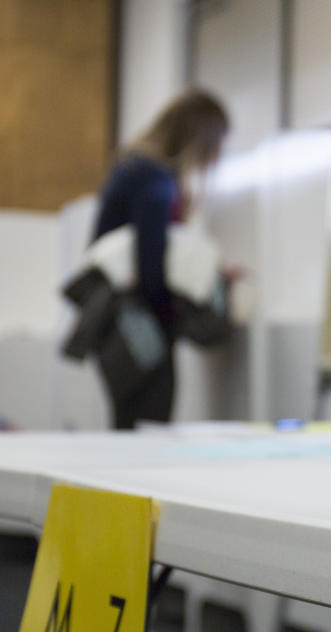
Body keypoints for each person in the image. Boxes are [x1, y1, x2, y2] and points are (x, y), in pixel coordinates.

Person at [92, 90, 229, 429]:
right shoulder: (155, 179)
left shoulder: (136, 168)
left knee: (128, 425)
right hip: (139, 320)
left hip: (114, 319)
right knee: (146, 430)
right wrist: (175, 313)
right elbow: (151, 263)